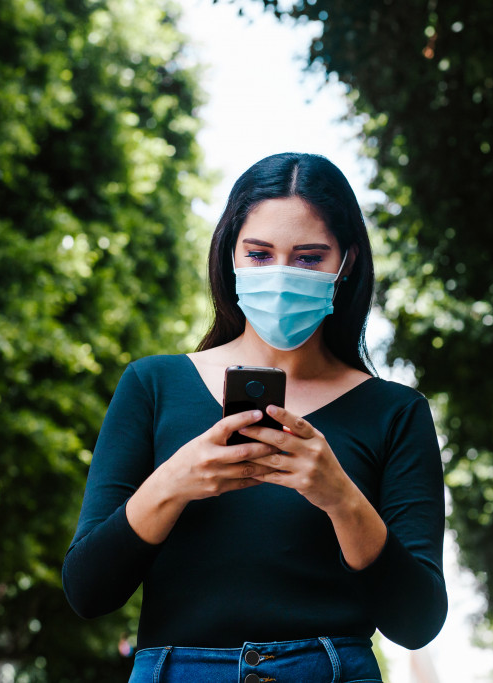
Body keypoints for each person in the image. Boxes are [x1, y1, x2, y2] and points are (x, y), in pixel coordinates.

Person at [62, 152, 447, 682]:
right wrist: (174, 482)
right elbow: (87, 590)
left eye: (308, 257)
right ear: (230, 255)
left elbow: (417, 620)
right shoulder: (152, 385)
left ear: (347, 262)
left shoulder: (396, 413)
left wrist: (339, 496)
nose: (282, 276)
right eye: (260, 254)